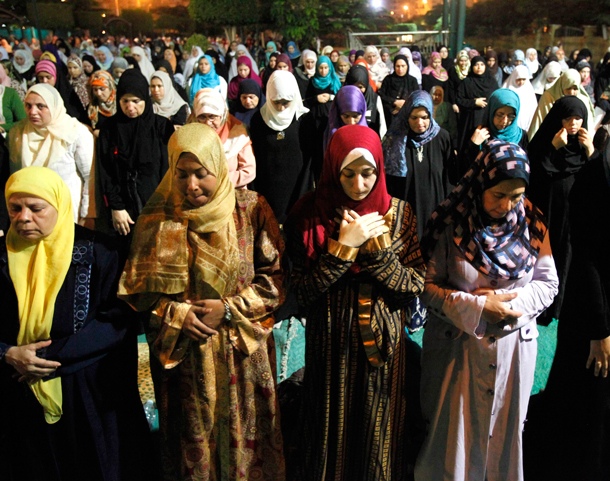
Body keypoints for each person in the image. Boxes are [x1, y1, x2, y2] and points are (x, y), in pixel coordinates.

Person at [117, 123, 286, 480]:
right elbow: (140, 291)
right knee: (193, 444)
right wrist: (175, 313)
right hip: (187, 359)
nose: (191, 186)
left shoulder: (250, 210)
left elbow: (276, 277)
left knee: (249, 440)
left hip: (243, 354)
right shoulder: (159, 217)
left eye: (201, 174)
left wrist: (228, 308)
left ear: (219, 168)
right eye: (181, 174)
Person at [286, 124, 427, 481]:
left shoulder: (399, 214)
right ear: (333, 168)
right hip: (328, 346)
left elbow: (414, 284)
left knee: (377, 432)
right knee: (327, 432)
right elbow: (300, 293)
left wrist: (378, 256)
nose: (359, 184)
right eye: (347, 174)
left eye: (368, 174)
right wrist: (342, 249)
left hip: (383, 349)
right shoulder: (309, 214)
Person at [415, 139, 559, 481]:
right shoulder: (451, 223)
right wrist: (479, 307)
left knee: (504, 435)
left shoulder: (532, 224)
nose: (507, 205)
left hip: (512, 348)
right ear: (481, 182)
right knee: (454, 436)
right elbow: (425, 285)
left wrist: (515, 307)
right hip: (458, 348)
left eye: (516, 196)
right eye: (498, 195)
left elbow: (548, 283)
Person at [0, 167, 153, 481]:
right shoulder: (2, 258)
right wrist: (8, 353)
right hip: (18, 392)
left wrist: (46, 358)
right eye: (15, 208)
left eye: (36, 208)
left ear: (59, 205)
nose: (24, 217)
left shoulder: (100, 252)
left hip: (86, 393)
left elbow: (117, 320)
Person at [527, 142, 610, 481]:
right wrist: (600, 330)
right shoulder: (595, 175)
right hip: (592, 310)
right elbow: (587, 257)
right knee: (586, 396)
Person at [527, 96, 597, 325]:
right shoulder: (545, 140)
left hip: (575, 215)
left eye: (578, 118)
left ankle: (561, 304)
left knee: (569, 256)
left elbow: (597, 178)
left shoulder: (585, 146)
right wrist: (553, 148)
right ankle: (542, 305)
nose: (574, 123)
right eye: (568, 118)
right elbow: (534, 172)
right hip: (547, 212)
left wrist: (590, 150)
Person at [98, 69, 174, 238]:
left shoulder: (161, 127)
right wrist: (116, 207)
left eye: (136, 101)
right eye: (125, 101)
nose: (130, 107)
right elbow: (106, 170)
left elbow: (170, 170)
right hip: (125, 214)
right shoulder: (110, 129)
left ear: (145, 99)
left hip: (158, 208)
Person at [8, 84, 94, 224]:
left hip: (65, 210)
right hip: (27, 215)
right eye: (28, 106)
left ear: (54, 106)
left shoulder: (74, 131)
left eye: (41, 106)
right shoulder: (17, 133)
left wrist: (86, 213)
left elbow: (89, 176)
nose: (32, 112)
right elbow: (15, 177)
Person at [383, 90, 456, 239]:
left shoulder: (442, 138)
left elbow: (449, 178)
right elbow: (389, 182)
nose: (419, 123)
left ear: (430, 115)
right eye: (414, 117)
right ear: (406, 116)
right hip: (406, 215)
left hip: (435, 212)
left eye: (424, 117)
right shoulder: (397, 141)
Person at [250, 70, 310, 224]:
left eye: (286, 102)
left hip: (297, 188)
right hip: (268, 189)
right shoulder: (258, 120)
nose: (281, 108)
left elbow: (308, 159)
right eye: (276, 102)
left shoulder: (303, 119)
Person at [190, 88, 255, 189]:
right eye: (202, 117)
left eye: (212, 117)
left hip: (231, 193)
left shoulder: (237, 133)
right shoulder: (190, 133)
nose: (208, 123)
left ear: (222, 115)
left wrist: (216, 182)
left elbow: (249, 170)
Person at [302, 56, 342, 180]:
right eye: (321, 68)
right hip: (315, 121)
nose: (323, 71)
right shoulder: (313, 81)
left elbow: (342, 98)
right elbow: (305, 102)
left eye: (326, 68)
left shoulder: (334, 81)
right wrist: (316, 99)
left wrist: (330, 97)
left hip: (330, 119)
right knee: (317, 150)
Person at [529, 68, 595, 140]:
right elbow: (539, 124)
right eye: (568, 89)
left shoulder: (583, 100)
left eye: (575, 89)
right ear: (562, 86)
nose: (571, 92)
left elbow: (589, 127)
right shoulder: (549, 97)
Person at [455, 55, 498, 152]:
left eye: (482, 64)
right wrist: (474, 102)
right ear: (472, 67)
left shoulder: (491, 82)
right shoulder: (467, 82)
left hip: (487, 118)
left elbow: (496, 97)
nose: (479, 67)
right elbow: (459, 99)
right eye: (476, 65)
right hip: (470, 120)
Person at [378, 54, 419, 129]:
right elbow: (382, 96)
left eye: (403, 66)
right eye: (398, 66)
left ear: (407, 66)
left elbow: (417, 97)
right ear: (394, 66)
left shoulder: (412, 81)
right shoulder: (388, 80)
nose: (400, 69)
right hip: (390, 117)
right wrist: (394, 102)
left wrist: (404, 104)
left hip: (408, 116)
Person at [323, 84, 368, 151]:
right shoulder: (333, 136)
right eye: (346, 116)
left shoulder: (368, 137)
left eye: (355, 116)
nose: (351, 122)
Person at [345, 65, 387, 138]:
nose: (357, 90)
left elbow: (382, 126)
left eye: (360, 87)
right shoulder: (342, 99)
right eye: (353, 86)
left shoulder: (375, 99)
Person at [504, 65, 537, 132]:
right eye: (518, 79)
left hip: (526, 125)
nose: (521, 82)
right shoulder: (507, 89)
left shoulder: (529, 90)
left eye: (524, 79)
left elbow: (533, 108)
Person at [87, 70, 117, 135]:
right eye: (95, 90)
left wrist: (101, 133)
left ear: (110, 88)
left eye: (102, 89)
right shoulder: (92, 107)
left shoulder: (120, 105)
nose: (98, 93)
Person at [448, 50, 470, 114]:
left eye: (465, 61)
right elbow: (451, 87)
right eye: (461, 61)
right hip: (457, 101)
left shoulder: (469, 70)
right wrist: (453, 103)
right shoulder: (453, 70)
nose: (463, 63)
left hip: (467, 102)